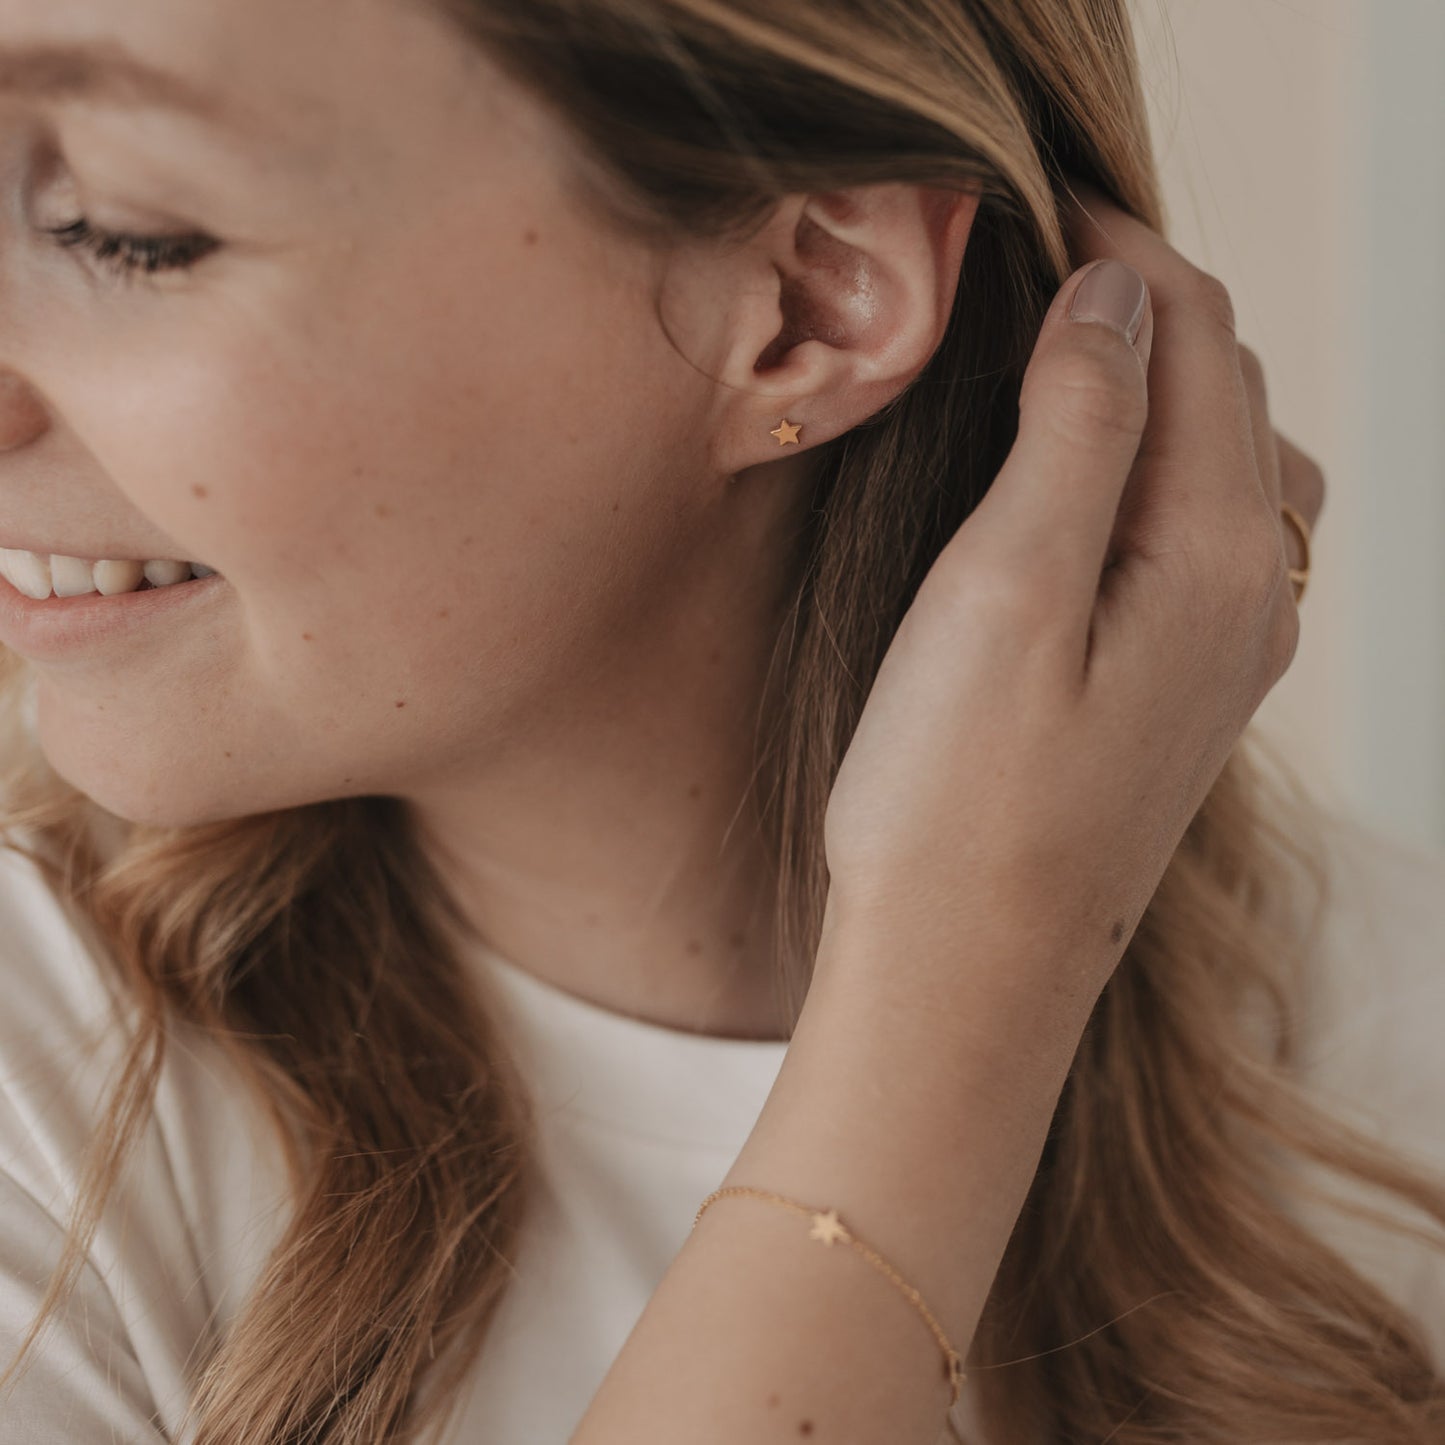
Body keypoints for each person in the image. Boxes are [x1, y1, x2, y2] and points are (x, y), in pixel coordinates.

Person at [0, 1, 1439, 1442]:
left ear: (808, 305)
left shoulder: (1397, 1073)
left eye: (117, 229)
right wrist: (958, 999)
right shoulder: (43, 1099)